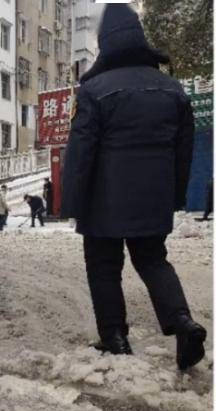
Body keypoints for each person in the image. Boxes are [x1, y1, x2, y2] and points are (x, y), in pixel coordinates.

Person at [62, 4, 205, 369]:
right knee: (153, 260)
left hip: (104, 200)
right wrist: (174, 196)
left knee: (103, 264)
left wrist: (71, 204)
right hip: (153, 196)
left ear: (105, 43)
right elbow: (183, 153)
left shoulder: (93, 90)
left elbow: (80, 153)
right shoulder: (172, 90)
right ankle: (182, 322)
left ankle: (115, 338)